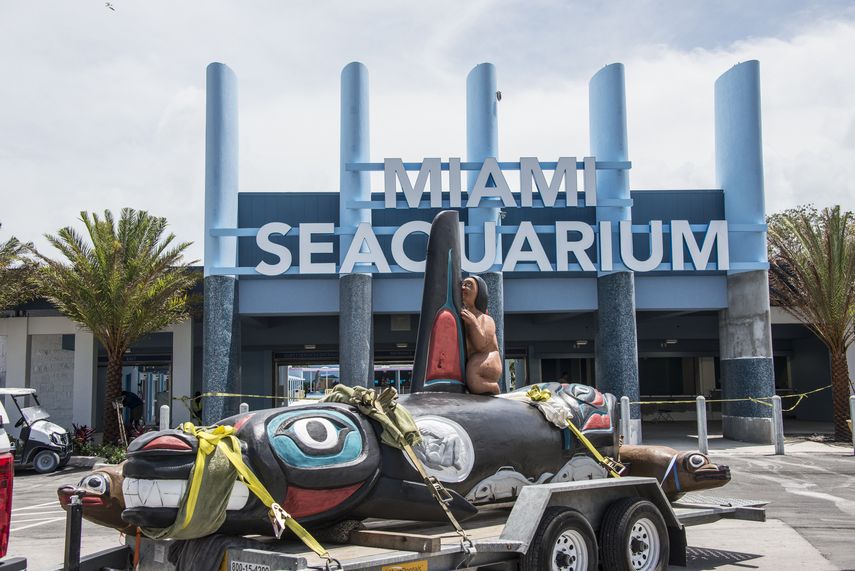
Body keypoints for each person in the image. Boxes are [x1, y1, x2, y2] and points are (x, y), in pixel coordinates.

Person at [460, 275, 502, 395]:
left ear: (479, 293)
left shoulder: (485, 319)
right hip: (474, 360)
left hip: (488, 358)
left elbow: (481, 345)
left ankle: (494, 388)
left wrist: (473, 323)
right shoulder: (462, 317)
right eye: (462, 285)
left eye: (469, 285)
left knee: (473, 377)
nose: (463, 287)